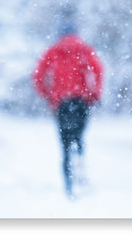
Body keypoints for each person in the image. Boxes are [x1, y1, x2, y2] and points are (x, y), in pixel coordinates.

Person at [33, 23, 103, 197]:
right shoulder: (85, 50)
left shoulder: (53, 51)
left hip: (61, 102)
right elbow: (98, 71)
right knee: (79, 136)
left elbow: (38, 75)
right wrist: (94, 94)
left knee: (64, 141)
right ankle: (80, 165)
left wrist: (47, 94)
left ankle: (68, 179)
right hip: (81, 101)